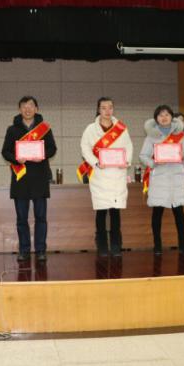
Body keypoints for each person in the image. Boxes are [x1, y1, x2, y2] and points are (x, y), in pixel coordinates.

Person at [1, 96, 57, 262]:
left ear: (36, 109)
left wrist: (43, 155)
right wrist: (16, 159)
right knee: (21, 219)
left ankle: (40, 250)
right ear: (20, 109)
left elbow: (53, 149)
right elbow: (5, 152)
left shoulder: (44, 129)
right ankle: (24, 250)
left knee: (41, 217)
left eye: (31, 106)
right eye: (24, 106)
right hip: (21, 178)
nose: (27, 109)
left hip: (40, 177)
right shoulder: (12, 130)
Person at [79, 97, 133, 257]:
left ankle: (116, 245)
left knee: (115, 212)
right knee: (101, 211)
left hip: (117, 174)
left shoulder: (121, 128)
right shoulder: (90, 129)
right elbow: (84, 148)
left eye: (110, 107)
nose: (107, 111)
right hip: (100, 175)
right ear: (98, 110)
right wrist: (95, 162)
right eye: (103, 108)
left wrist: (126, 161)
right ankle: (102, 245)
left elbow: (129, 146)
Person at [139, 105, 184, 256]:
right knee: (157, 212)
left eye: (167, 114)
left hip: (176, 177)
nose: (164, 117)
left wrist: (182, 156)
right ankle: (157, 246)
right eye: (160, 115)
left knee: (179, 212)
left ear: (171, 117)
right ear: (156, 118)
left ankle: (182, 245)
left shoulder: (180, 135)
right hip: (159, 178)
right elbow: (143, 156)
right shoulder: (151, 136)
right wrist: (154, 163)